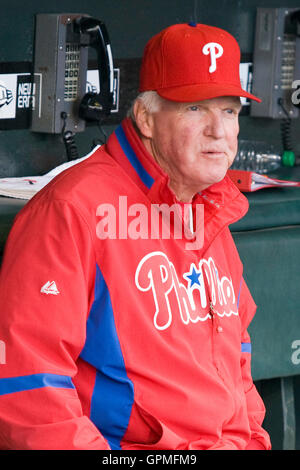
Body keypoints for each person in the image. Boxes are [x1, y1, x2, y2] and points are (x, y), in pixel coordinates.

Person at [0, 23, 271, 450]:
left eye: (230, 110)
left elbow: (235, 356)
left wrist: (253, 439)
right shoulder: (72, 211)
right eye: (196, 109)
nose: (220, 131)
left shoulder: (209, 203)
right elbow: (26, 386)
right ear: (146, 117)